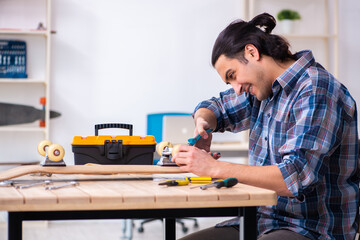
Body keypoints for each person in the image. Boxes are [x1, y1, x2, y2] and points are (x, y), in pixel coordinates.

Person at [173, 13, 359, 240]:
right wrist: (203, 122)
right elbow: (215, 107)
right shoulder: (262, 91)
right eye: (229, 83)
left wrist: (213, 168)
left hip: (310, 229)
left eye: (233, 75)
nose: (237, 89)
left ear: (252, 52)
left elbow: (295, 177)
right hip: (261, 220)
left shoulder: (316, 87)